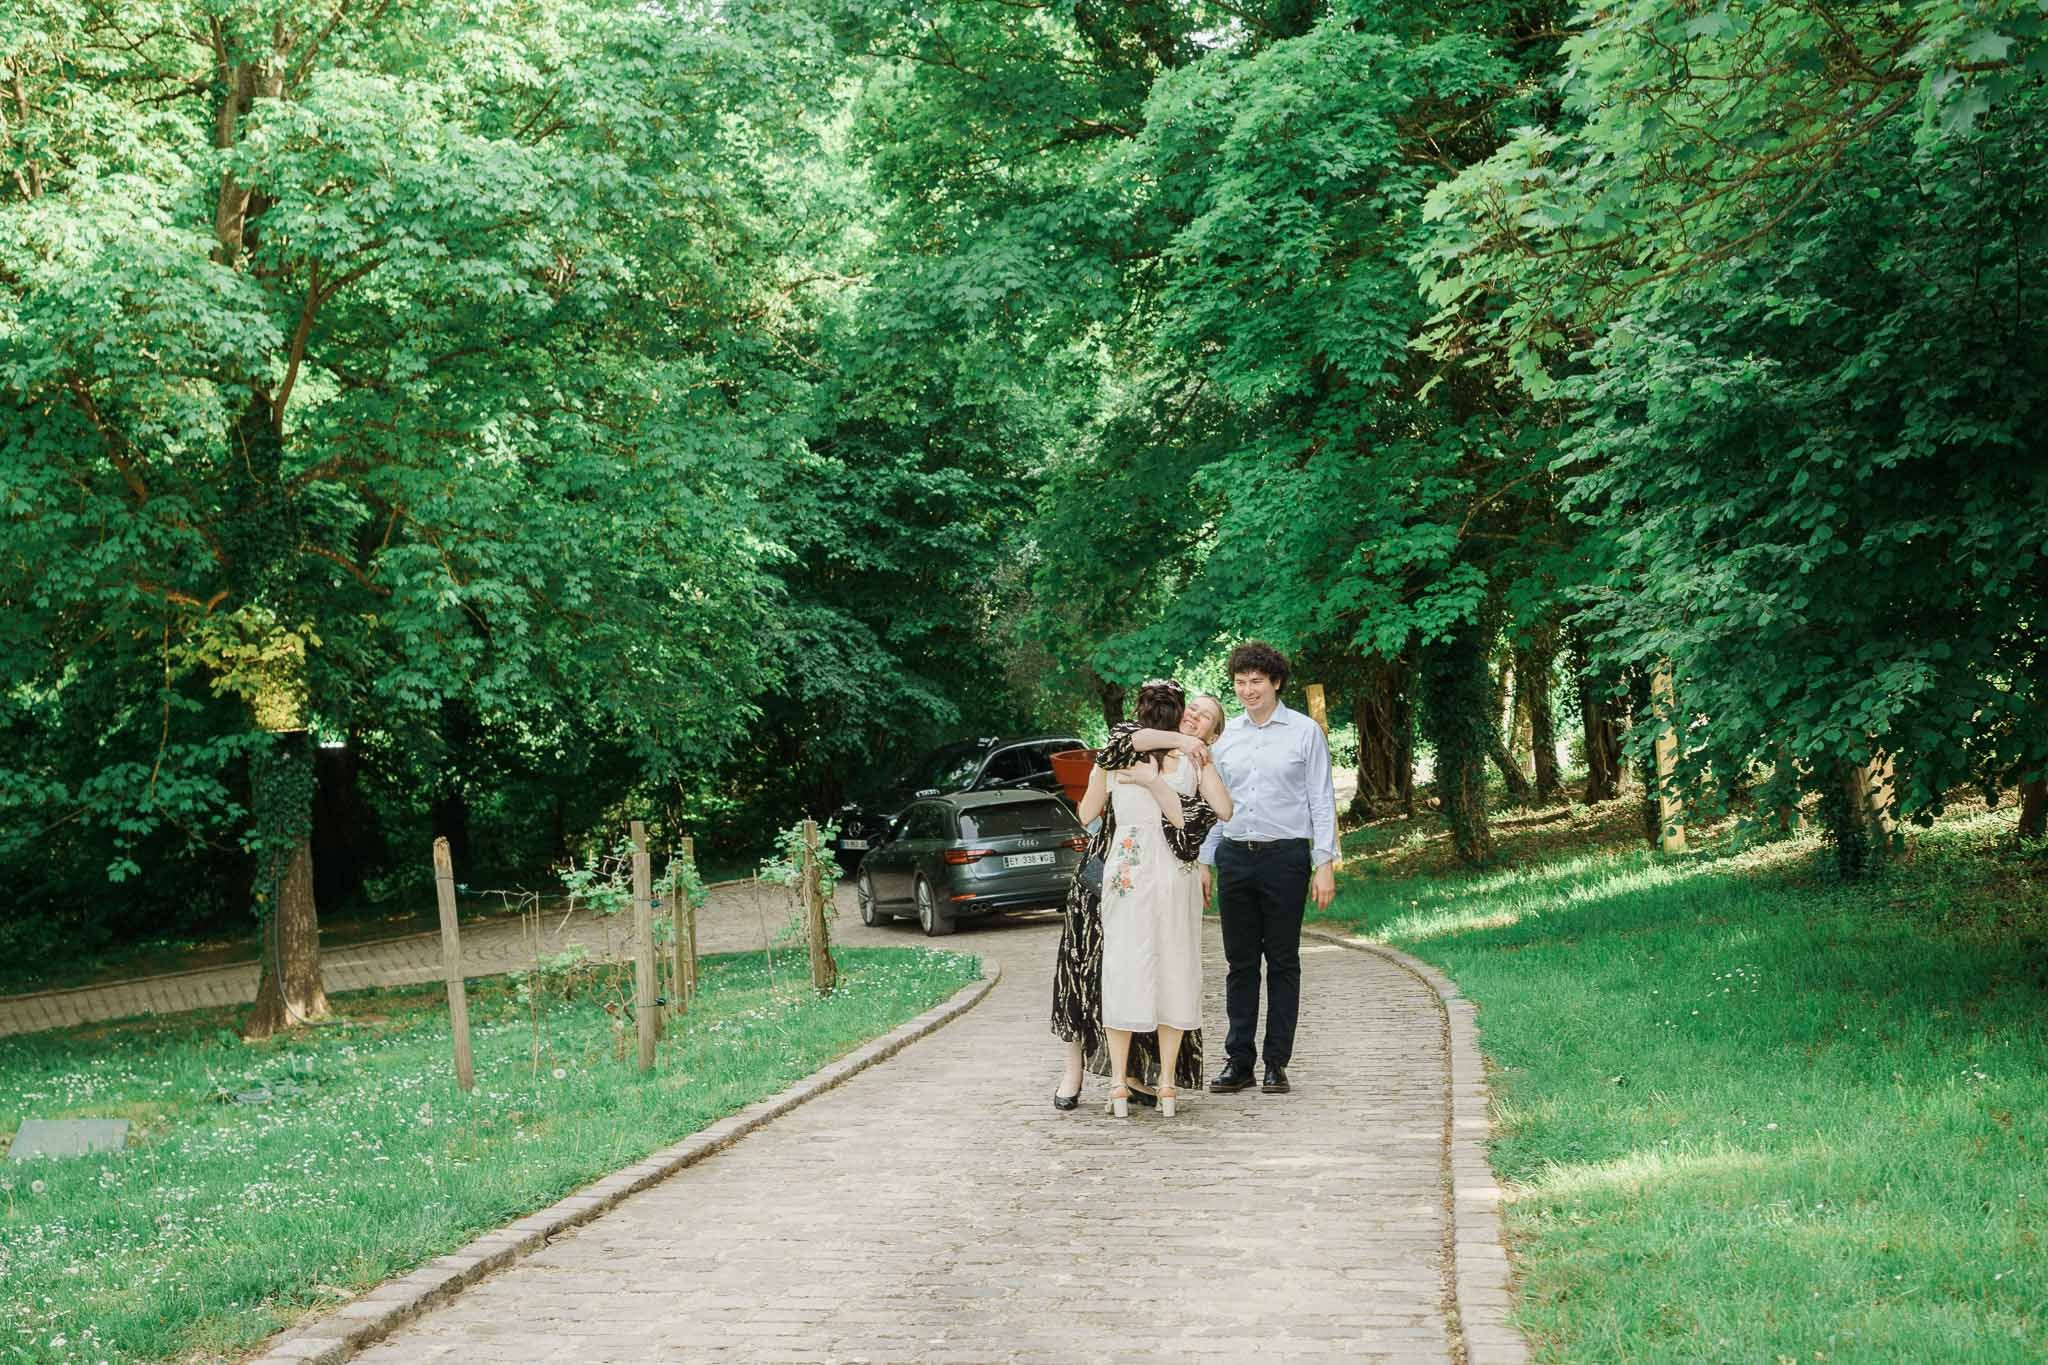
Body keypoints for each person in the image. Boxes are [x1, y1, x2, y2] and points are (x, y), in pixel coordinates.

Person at [1049, 689, 1230, 1113]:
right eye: (1191, 711)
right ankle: (1113, 1076)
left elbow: (1212, 812)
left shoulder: (1186, 760)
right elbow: (1090, 812)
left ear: (1213, 734)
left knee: (1153, 969)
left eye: (1205, 717)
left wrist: (1155, 775)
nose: (1194, 719)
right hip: (1122, 875)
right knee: (1109, 969)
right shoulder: (1126, 748)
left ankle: (1134, 1081)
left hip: (1151, 873)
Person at [1198, 642, 1337, 1096]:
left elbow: (1321, 799)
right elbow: (1217, 805)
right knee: (1239, 964)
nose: (1248, 690)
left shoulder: (1303, 732)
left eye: (1256, 681)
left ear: (1275, 682)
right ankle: (1238, 1061)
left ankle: (1277, 1062)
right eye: (1240, 682)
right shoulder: (1228, 738)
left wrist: (1324, 863)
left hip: (1286, 858)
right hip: (1237, 857)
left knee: (1282, 962)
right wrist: (1205, 861)